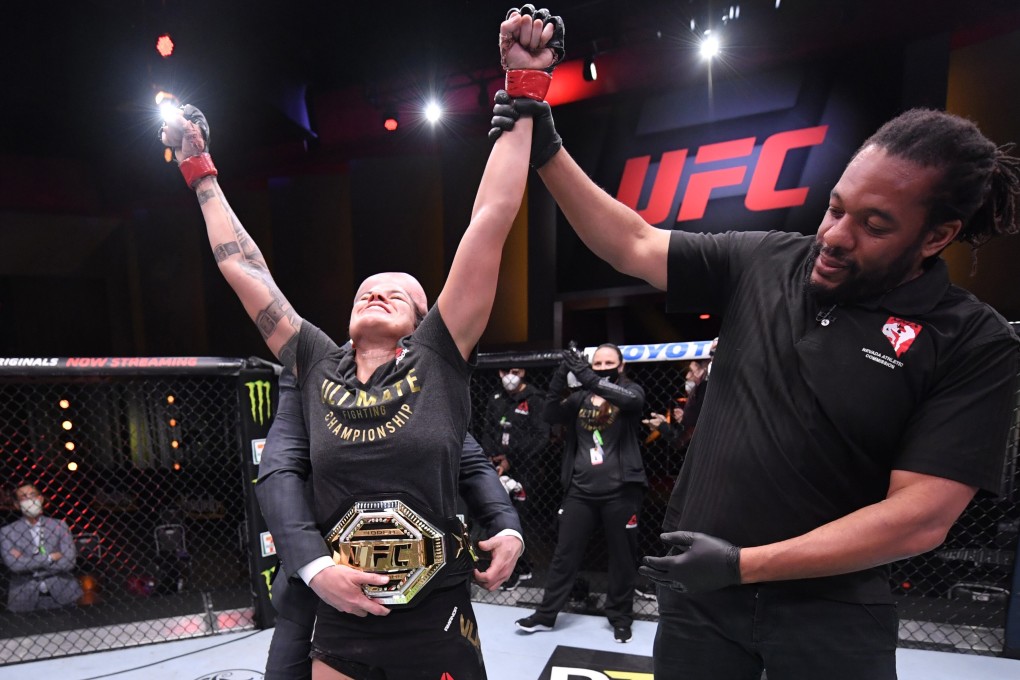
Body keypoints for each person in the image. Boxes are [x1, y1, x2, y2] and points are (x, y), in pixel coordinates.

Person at [493, 92, 1020, 678]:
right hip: (702, 600)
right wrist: (550, 152)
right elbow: (633, 243)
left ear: (936, 236)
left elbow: (922, 516)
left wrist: (744, 564)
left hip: (834, 612)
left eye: (874, 225)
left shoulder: (971, 338)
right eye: (835, 208)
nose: (837, 236)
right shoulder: (768, 260)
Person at [161, 7, 561, 678]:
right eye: (364, 289)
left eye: (397, 291)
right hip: (341, 612)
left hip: (435, 611)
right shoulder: (314, 359)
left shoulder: (440, 356)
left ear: (425, 316)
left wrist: (524, 87)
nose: (375, 292)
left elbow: (490, 224)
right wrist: (199, 169)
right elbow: (244, 268)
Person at [257, 371, 524, 680]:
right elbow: (280, 468)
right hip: (321, 591)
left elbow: (471, 460)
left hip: (430, 597)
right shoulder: (310, 368)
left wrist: (506, 527)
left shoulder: (430, 371)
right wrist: (314, 567)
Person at [514, 343, 647, 643]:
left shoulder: (631, 392)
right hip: (581, 491)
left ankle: (621, 617)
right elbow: (549, 413)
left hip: (621, 491)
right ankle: (546, 615)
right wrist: (562, 374)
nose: (601, 367)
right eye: (596, 363)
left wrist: (586, 375)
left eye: (607, 362)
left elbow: (632, 402)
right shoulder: (580, 398)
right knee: (564, 554)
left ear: (621, 365)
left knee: (623, 557)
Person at [482, 366, 550, 590]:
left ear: (524, 372)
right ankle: (511, 568)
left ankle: (520, 567)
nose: (509, 376)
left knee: (519, 518)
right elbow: (488, 430)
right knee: (496, 517)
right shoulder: (496, 398)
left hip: (525, 469)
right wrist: (494, 457)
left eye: (515, 371)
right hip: (497, 466)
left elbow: (541, 436)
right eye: (504, 371)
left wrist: (512, 458)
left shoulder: (535, 399)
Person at [1, 483, 83, 612]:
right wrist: (51, 557)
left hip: (64, 594)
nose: (29, 500)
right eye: (23, 497)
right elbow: (15, 566)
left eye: (32, 495)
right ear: (17, 505)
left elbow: (69, 562)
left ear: (41, 499)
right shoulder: (7, 532)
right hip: (24, 598)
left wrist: (27, 562)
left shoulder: (59, 526)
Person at [642, 357, 711, 450]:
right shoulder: (696, 396)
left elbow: (681, 440)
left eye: (691, 371)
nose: (687, 376)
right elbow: (680, 440)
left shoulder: (704, 391)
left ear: (705, 369)